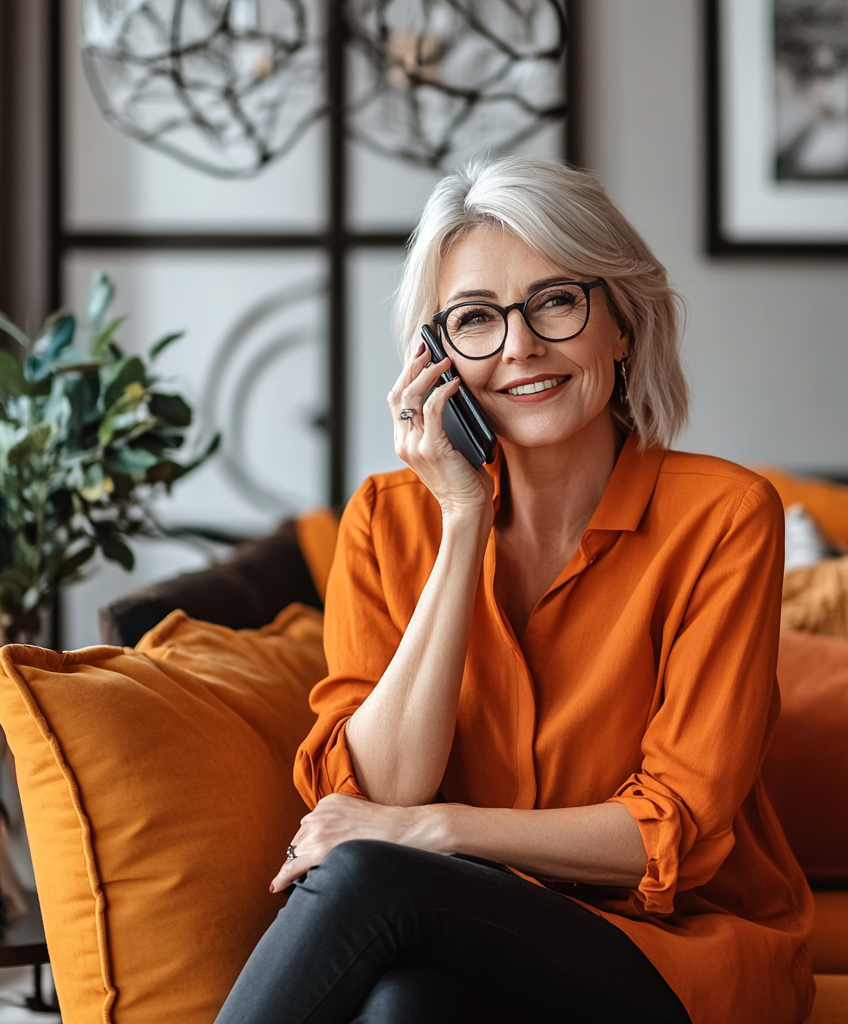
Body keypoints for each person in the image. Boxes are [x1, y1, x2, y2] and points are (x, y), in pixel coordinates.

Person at [214, 156, 815, 1024]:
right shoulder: (387, 522)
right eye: (475, 320)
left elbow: (666, 827)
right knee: (405, 1008)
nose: (520, 346)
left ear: (622, 324)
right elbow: (380, 792)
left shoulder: (725, 516)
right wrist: (463, 521)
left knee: (375, 876)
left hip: (678, 956)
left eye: (556, 302)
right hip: (461, 929)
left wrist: (436, 833)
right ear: (437, 360)